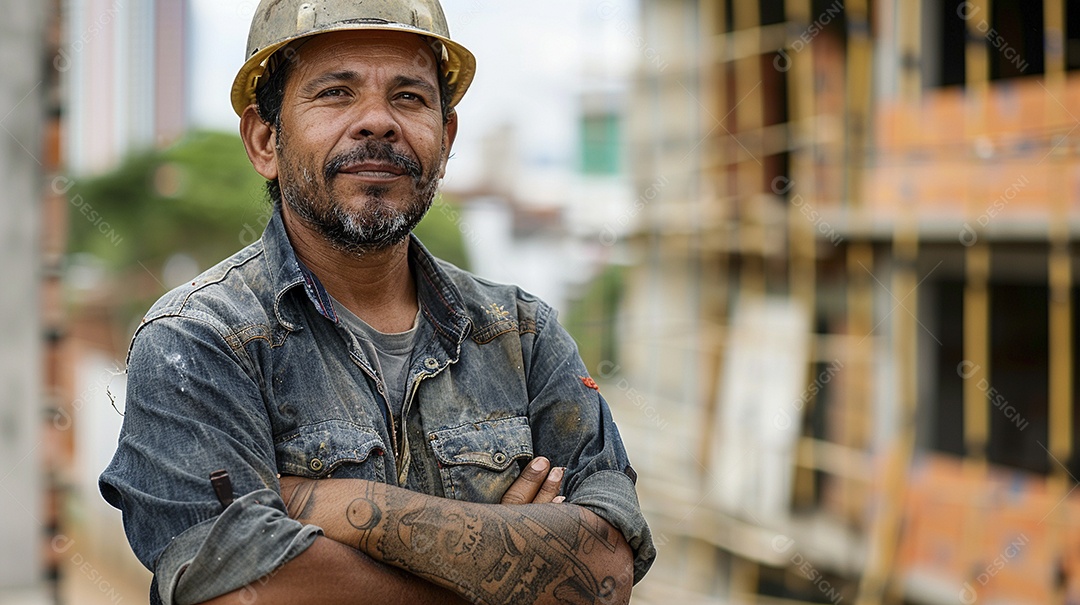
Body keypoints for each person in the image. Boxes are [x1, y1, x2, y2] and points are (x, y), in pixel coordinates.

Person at [99, 1, 655, 603]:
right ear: (265, 140)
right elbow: (244, 593)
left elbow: (605, 569)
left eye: (409, 97)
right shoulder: (197, 342)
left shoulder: (523, 336)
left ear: (446, 139)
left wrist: (342, 506)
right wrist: (505, 575)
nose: (377, 122)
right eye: (336, 93)